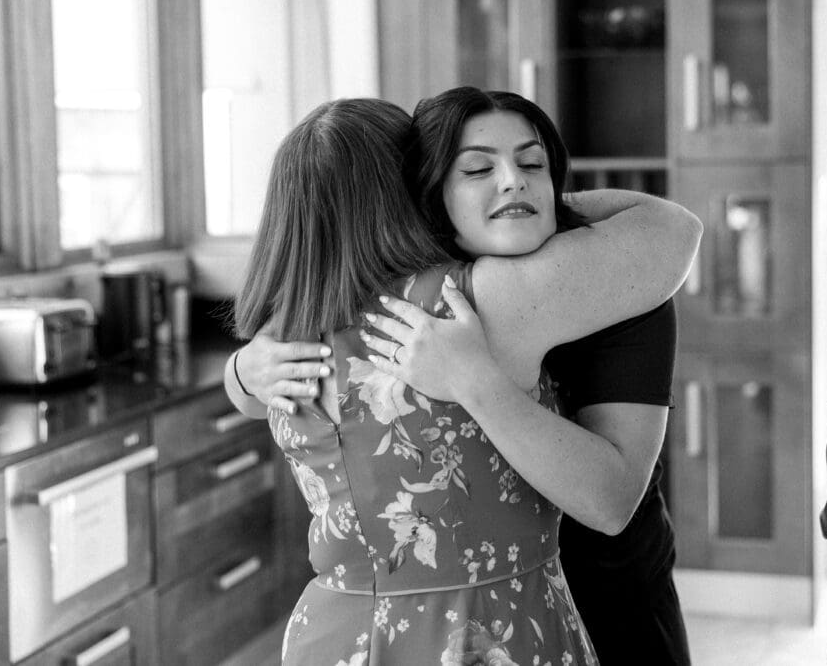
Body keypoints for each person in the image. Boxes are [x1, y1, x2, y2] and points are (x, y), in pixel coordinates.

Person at [230, 91, 701, 664]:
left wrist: (239, 372)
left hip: (333, 637)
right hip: (485, 630)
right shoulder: (468, 302)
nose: (509, 180)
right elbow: (670, 228)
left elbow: (253, 400)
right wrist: (527, 196)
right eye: (473, 169)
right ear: (413, 190)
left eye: (531, 165)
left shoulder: (276, 337)